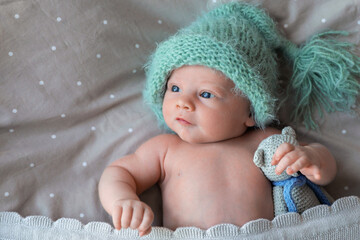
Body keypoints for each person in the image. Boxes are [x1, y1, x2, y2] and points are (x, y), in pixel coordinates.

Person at [98, 2, 359, 237]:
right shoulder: (165, 148)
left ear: (250, 113)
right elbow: (119, 172)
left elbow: (325, 168)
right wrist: (122, 201)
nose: (182, 102)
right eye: (175, 88)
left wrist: (311, 158)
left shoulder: (263, 141)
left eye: (206, 94)